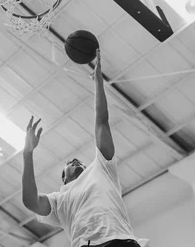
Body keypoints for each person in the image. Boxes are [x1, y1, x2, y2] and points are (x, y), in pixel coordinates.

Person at [21, 48, 146, 247]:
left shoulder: (103, 168)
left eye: (78, 161)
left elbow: (102, 123)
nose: (76, 161)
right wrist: (27, 154)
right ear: (64, 178)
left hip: (123, 241)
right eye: (70, 163)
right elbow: (30, 201)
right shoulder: (58, 200)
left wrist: (98, 82)